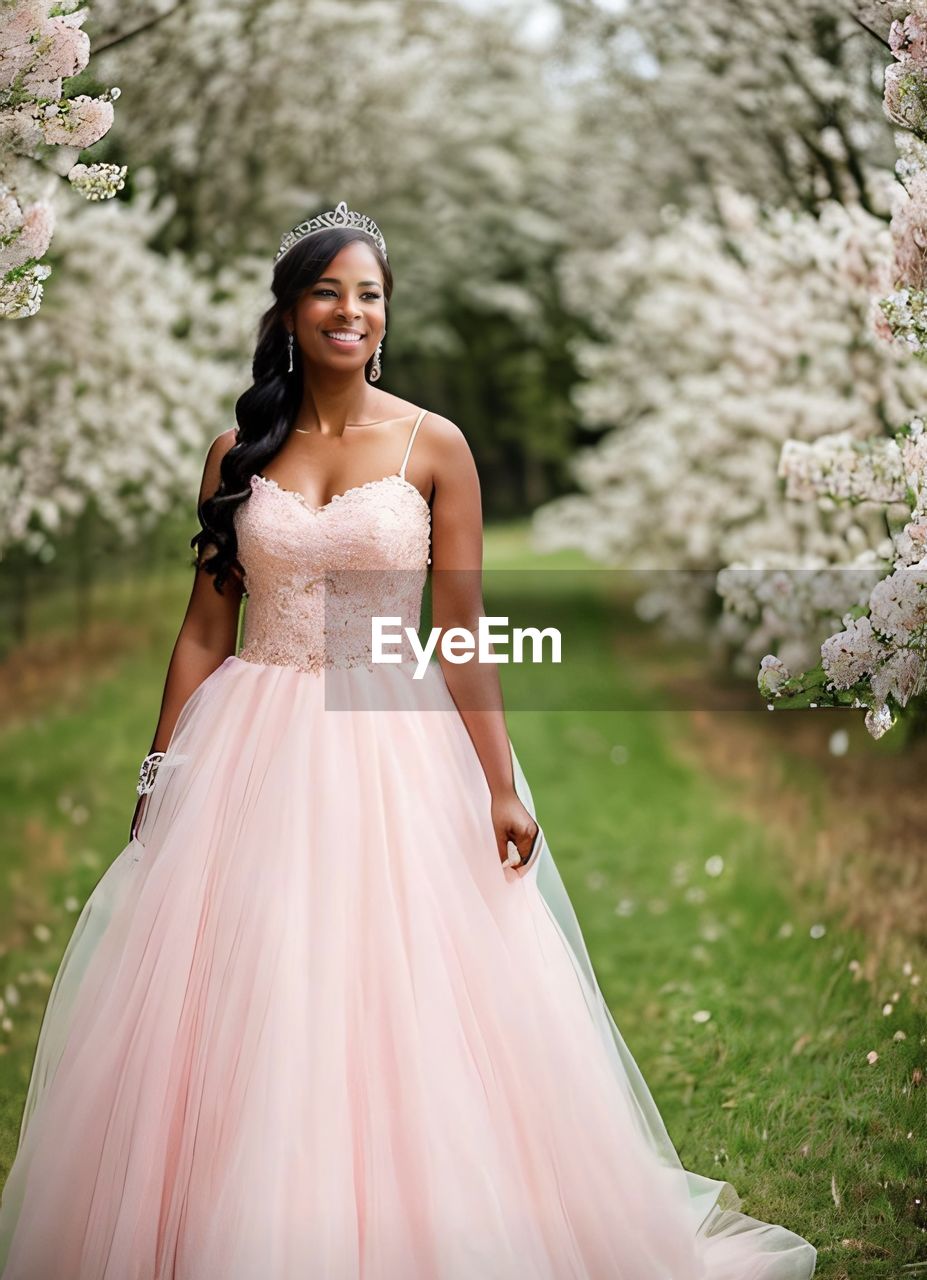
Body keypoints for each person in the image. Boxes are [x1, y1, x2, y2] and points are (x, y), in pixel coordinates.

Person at [0, 200, 817, 1279]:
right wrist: (163, 766)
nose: (351, 310)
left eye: (370, 293)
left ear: (388, 315)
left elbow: (464, 634)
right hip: (253, 741)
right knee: (256, 984)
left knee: (396, 986)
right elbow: (203, 629)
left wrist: (498, 786)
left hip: (391, 739)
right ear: (291, 310)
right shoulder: (237, 449)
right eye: (328, 290)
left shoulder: (436, 444)